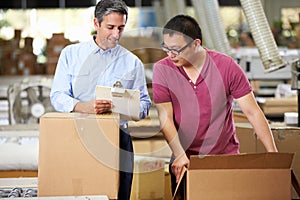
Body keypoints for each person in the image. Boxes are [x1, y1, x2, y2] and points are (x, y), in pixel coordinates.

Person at [152, 15, 278, 198]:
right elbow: (165, 118)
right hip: (185, 158)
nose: (170, 55)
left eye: (176, 50)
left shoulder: (226, 66)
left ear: (195, 43)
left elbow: (252, 112)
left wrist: (273, 154)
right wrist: (179, 154)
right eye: (166, 48)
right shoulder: (163, 69)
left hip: (224, 158)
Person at [50, 0, 151, 200]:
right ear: (96, 23)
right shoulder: (71, 55)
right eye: (110, 27)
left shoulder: (133, 63)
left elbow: (145, 106)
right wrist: (82, 106)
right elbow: (57, 95)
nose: (116, 34)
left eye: (121, 28)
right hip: (79, 134)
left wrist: (125, 107)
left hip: (118, 137)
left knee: (119, 195)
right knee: (80, 193)